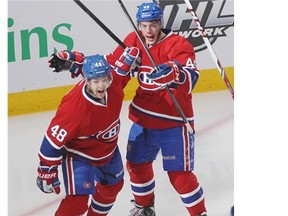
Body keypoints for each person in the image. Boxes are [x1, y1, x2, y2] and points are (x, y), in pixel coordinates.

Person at [104, 2, 208, 216]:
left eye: (153, 24)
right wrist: (82, 65)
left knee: (179, 175)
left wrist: (173, 72)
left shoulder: (178, 44)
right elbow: (112, 72)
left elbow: (192, 77)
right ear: (138, 25)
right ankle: (144, 208)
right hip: (143, 118)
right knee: (136, 165)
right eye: (144, 25)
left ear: (160, 23)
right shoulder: (133, 40)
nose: (148, 31)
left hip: (174, 121)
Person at [36, 48, 140, 216]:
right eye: (96, 81)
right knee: (77, 204)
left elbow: (127, 60)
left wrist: (137, 57)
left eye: (105, 80)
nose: (101, 86)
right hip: (79, 154)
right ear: (86, 81)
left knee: (113, 186)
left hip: (108, 151)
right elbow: (51, 141)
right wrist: (46, 171)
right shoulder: (74, 109)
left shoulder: (114, 83)